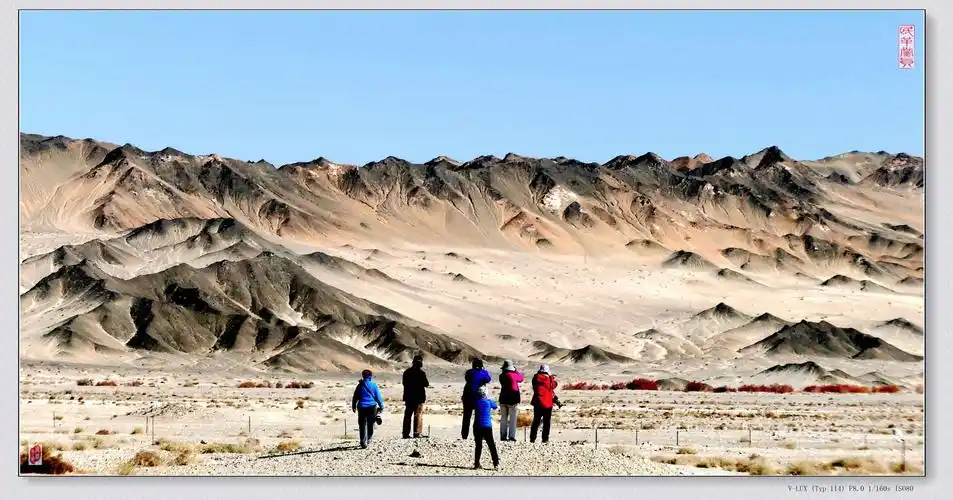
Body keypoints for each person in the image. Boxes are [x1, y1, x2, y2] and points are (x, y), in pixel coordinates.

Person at [351, 369, 385, 449]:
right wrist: (381, 406)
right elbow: (378, 397)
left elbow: (355, 397)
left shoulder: (359, 386)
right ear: (370, 377)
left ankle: (363, 441)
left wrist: (353, 406)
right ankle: (369, 438)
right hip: (372, 407)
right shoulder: (374, 385)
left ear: (363, 376)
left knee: (362, 424)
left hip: (361, 407)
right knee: (371, 423)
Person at [461, 357, 492, 440]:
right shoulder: (484, 372)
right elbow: (488, 379)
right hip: (479, 397)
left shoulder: (469, 372)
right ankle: (479, 435)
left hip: (467, 396)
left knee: (466, 417)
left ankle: (464, 435)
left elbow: (467, 379)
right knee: (479, 417)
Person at [401, 354, 430, 438]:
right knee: (418, 415)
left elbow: (404, 383)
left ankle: (405, 433)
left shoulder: (407, 372)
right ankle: (417, 432)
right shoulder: (421, 373)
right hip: (419, 398)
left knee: (407, 415)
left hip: (409, 397)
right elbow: (426, 384)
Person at [472, 385, 500, 470]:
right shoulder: (489, 401)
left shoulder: (476, 401)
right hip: (487, 426)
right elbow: (495, 407)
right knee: (491, 445)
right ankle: (496, 464)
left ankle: (477, 464)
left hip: (477, 426)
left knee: (478, 445)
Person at [530, 364, 558, 444]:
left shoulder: (535, 378)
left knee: (536, 421)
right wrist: (551, 377)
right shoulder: (548, 379)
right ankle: (545, 439)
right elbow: (553, 385)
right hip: (547, 403)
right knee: (546, 422)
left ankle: (532, 438)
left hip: (537, 402)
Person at [498, 359, 524, 442]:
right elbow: (521, 378)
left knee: (503, 418)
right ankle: (511, 436)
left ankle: (503, 436)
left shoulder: (501, 376)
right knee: (513, 418)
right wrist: (516, 371)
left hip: (503, 398)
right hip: (513, 399)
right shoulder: (514, 375)